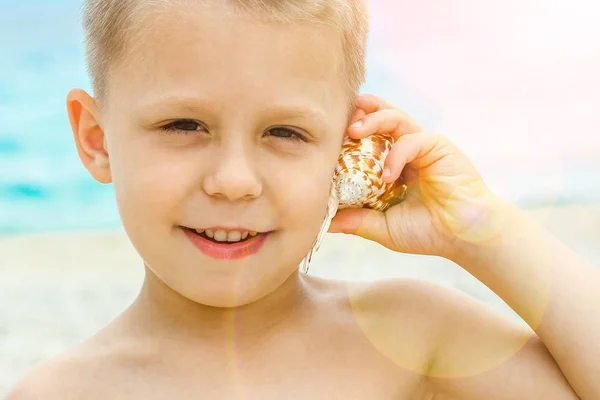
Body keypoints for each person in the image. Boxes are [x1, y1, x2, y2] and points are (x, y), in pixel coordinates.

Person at [7, 0, 599, 398]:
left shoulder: (413, 337)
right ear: (96, 138)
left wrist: (482, 232)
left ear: (346, 147)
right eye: (184, 125)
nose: (234, 181)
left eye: (285, 133)